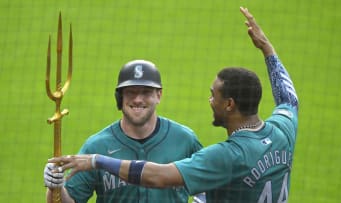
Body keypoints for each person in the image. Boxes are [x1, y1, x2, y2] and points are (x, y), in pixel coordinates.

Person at [48, 6, 299, 202]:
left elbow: (158, 176)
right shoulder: (282, 131)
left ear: (230, 104)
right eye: (130, 93)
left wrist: (97, 161)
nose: (210, 101)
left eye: (214, 96)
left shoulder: (226, 155)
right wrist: (267, 50)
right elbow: (289, 99)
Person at [44, 59, 204, 202]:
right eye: (131, 92)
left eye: (146, 92)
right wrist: (55, 187)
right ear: (120, 97)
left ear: (159, 95)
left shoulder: (185, 140)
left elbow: (211, 188)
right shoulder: (97, 146)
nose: (138, 99)